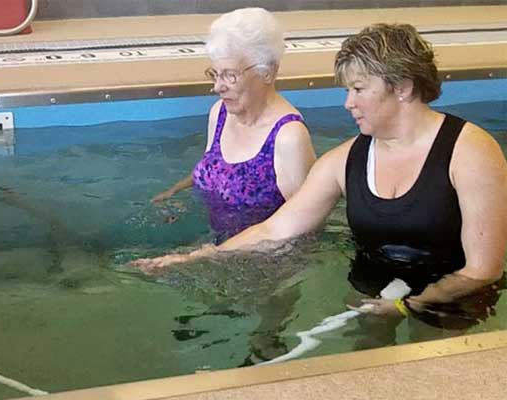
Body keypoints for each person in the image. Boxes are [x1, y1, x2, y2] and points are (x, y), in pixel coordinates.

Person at [134, 23, 507, 321]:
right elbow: (276, 228)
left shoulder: (471, 153)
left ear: (403, 88)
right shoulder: (344, 161)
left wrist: (409, 305)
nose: (348, 103)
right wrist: (196, 257)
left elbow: (483, 269)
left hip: (452, 295)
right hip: (369, 289)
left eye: (359, 89)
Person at [150, 8, 316, 242]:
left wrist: (210, 257)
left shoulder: (288, 137)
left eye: (230, 76)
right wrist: (176, 192)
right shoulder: (220, 113)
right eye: (215, 74)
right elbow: (215, 169)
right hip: (213, 241)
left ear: (267, 72)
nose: (218, 87)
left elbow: (304, 230)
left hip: (260, 263)